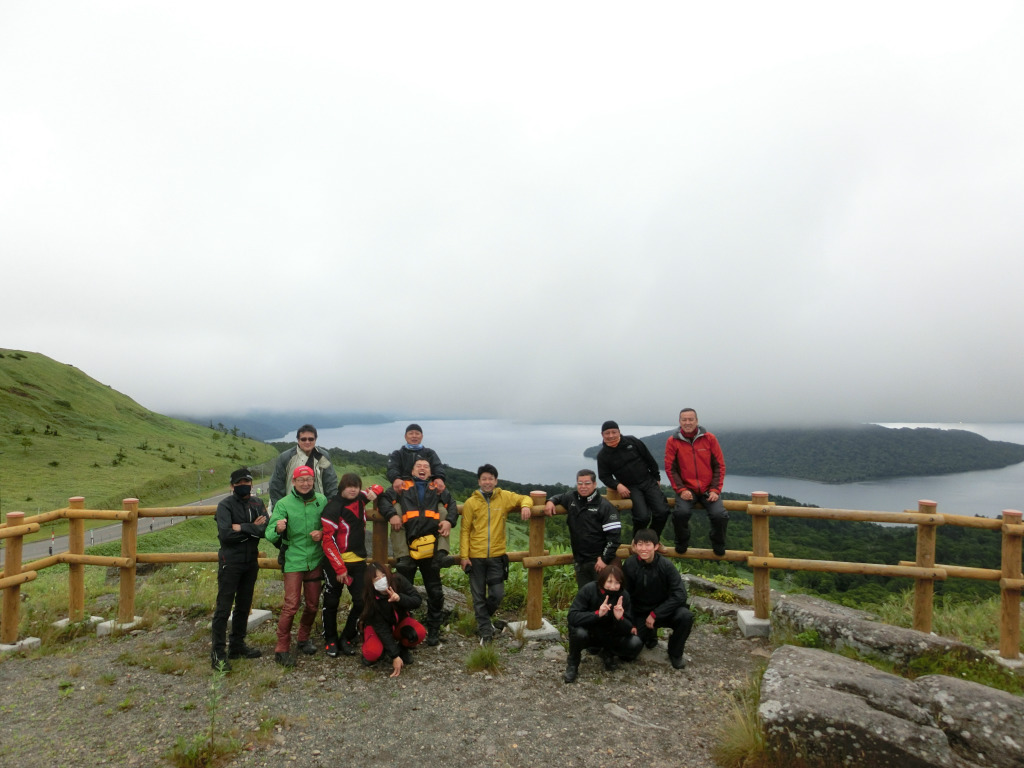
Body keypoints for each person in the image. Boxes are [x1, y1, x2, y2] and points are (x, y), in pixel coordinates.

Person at [378, 457, 455, 646]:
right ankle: (402, 630)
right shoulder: (402, 486)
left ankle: (433, 630)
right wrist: (391, 515)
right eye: (418, 466)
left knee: (435, 592)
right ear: (412, 471)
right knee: (402, 592)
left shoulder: (436, 488)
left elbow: (451, 505)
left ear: (431, 472)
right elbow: (384, 500)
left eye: (426, 467)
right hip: (407, 547)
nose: (422, 468)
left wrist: (449, 521)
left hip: (431, 548)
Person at [459, 464, 533, 644]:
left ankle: (483, 620)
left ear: (496, 481)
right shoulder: (471, 503)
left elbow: (525, 498)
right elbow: (465, 530)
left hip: (497, 556)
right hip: (475, 556)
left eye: (490, 479)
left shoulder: (504, 497)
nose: (487, 482)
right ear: (479, 481)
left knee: (497, 594)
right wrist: (464, 556)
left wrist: (525, 506)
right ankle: (485, 632)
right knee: (478, 596)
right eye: (484, 479)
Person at [265, 465, 327, 666]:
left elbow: (330, 525)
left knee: (313, 604)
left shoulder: (321, 500)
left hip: (315, 559)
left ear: (313, 481)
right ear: (293, 482)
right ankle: (282, 647)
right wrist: (278, 528)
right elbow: (269, 534)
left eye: (309, 480)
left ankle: (303, 638)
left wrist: (322, 533)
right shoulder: (283, 504)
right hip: (293, 559)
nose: (305, 483)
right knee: (291, 605)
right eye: (301, 480)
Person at [211, 467, 268, 671]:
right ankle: (218, 653)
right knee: (223, 607)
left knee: (244, 605)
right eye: (239, 483)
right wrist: (253, 528)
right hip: (230, 561)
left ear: (251, 484)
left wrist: (242, 527)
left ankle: (237, 645)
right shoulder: (225, 505)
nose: (244, 485)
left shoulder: (257, 503)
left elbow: (265, 530)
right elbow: (226, 535)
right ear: (232, 486)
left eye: (247, 482)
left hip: (250, 561)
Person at [320, 473, 382, 658]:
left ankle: (347, 636)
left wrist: (375, 492)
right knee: (331, 601)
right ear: (342, 487)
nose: (353, 489)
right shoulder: (333, 507)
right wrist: (340, 568)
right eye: (349, 486)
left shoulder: (360, 498)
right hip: (335, 563)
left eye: (356, 486)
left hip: (358, 562)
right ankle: (330, 639)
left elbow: (378, 487)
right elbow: (328, 541)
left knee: (362, 601)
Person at [622, 528, 693, 670]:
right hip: (640, 613)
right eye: (640, 544)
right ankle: (649, 635)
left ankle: (675, 653)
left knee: (685, 616)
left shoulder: (666, 566)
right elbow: (625, 596)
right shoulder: (630, 564)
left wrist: (656, 614)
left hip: (663, 611)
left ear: (656, 546)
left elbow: (680, 594)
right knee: (628, 654)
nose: (644, 549)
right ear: (635, 546)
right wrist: (631, 623)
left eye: (648, 544)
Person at [563, 562, 643, 683]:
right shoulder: (589, 589)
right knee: (578, 633)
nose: (613, 586)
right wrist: (597, 614)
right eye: (609, 582)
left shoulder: (623, 596)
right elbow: (572, 617)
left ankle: (608, 653)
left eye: (617, 583)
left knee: (635, 643)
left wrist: (620, 618)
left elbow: (628, 628)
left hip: (610, 634)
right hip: (590, 632)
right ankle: (573, 664)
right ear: (602, 580)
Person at [664, 408, 728, 556]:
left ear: (697, 421)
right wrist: (681, 490)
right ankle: (682, 542)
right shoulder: (673, 441)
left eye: (691, 419)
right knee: (680, 514)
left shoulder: (709, 438)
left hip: (708, 489)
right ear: (680, 421)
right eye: (684, 419)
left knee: (720, 515)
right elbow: (670, 468)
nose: (687, 422)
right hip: (686, 489)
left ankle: (718, 544)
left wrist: (715, 490)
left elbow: (719, 465)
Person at [544, 469, 622, 587]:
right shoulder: (572, 498)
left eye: (587, 483)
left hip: (599, 562)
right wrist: (550, 501)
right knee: (585, 594)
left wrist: (604, 559)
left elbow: (614, 537)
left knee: (603, 594)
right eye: (580, 483)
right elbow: (559, 497)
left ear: (594, 484)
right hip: (580, 562)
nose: (583, 486)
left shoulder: (605, 506)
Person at [596, 420, 669, 536]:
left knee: (662, 512)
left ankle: (652, 539)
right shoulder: (603, 455)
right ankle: (637, 541)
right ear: (602, 435)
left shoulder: (631, 441)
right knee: (642, 517)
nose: (611, 435)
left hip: (648, 481)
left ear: (619, 432)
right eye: (607, 433)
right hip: (630, 487)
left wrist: (657, 477)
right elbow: (604, 476)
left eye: (614, 432)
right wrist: (617, 485)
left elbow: (648, 458)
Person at [358, 561, 425, 677]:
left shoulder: (398, 580)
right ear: (371, 582)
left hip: (398, 623)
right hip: (377, 628)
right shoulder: (370, 597)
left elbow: (417, 600)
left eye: (383, 575)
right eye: (376, 578)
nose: (381, 580)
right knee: (372, 653)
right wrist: (395, 656)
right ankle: (383, 649)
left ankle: (402, 648)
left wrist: (400, 598)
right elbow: (381, 628)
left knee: (419, 632)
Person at [269, 424, 339, 507]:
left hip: (318, 506)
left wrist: (330, 507)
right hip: (292, 507)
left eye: (311, 439)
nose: (307, 442)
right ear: (298, 440)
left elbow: (331, 483)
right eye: (303, 439)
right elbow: (276, 486)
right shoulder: (286, 458)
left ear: (315, 439)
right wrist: (281, 509)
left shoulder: (323, 456)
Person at [386, 423, 447, 493]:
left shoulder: (430, 453)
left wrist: (439, 478)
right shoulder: (398, 454)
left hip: (427, 489)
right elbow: (392, 468)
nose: (414, 436)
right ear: (405, 437)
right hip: (403, 489)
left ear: (422, 436)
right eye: (411, 433)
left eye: (417, 433)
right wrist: (396, 479)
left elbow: (438, 467)